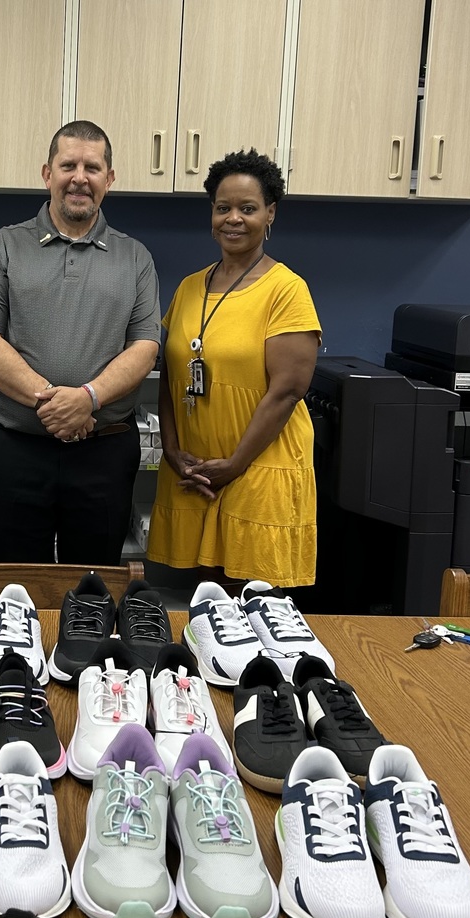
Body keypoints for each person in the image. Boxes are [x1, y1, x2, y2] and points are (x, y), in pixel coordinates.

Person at [0, 120, 160, 566]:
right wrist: (58, 405)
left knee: (93, 584)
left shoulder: (136, 258)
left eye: (92, 167)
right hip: (15, 448)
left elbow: (145, 347)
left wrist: (88, 399)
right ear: (46, 173)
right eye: (67, 164)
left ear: (109, 179)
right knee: (15, 584)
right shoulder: (4, 246)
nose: (79, 177)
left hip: (104, 452)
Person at [146, 148, 321, 590]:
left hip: (258, 465)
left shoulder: (287, 290)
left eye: (248, 208)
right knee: (208, 602)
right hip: (200, 467)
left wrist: (235, 464)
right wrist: (170, 450)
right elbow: (170, 373)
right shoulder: (189, 287)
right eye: (223, 208)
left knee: (256, 604)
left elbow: (287, 391)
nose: (233, 219)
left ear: (270, 213)